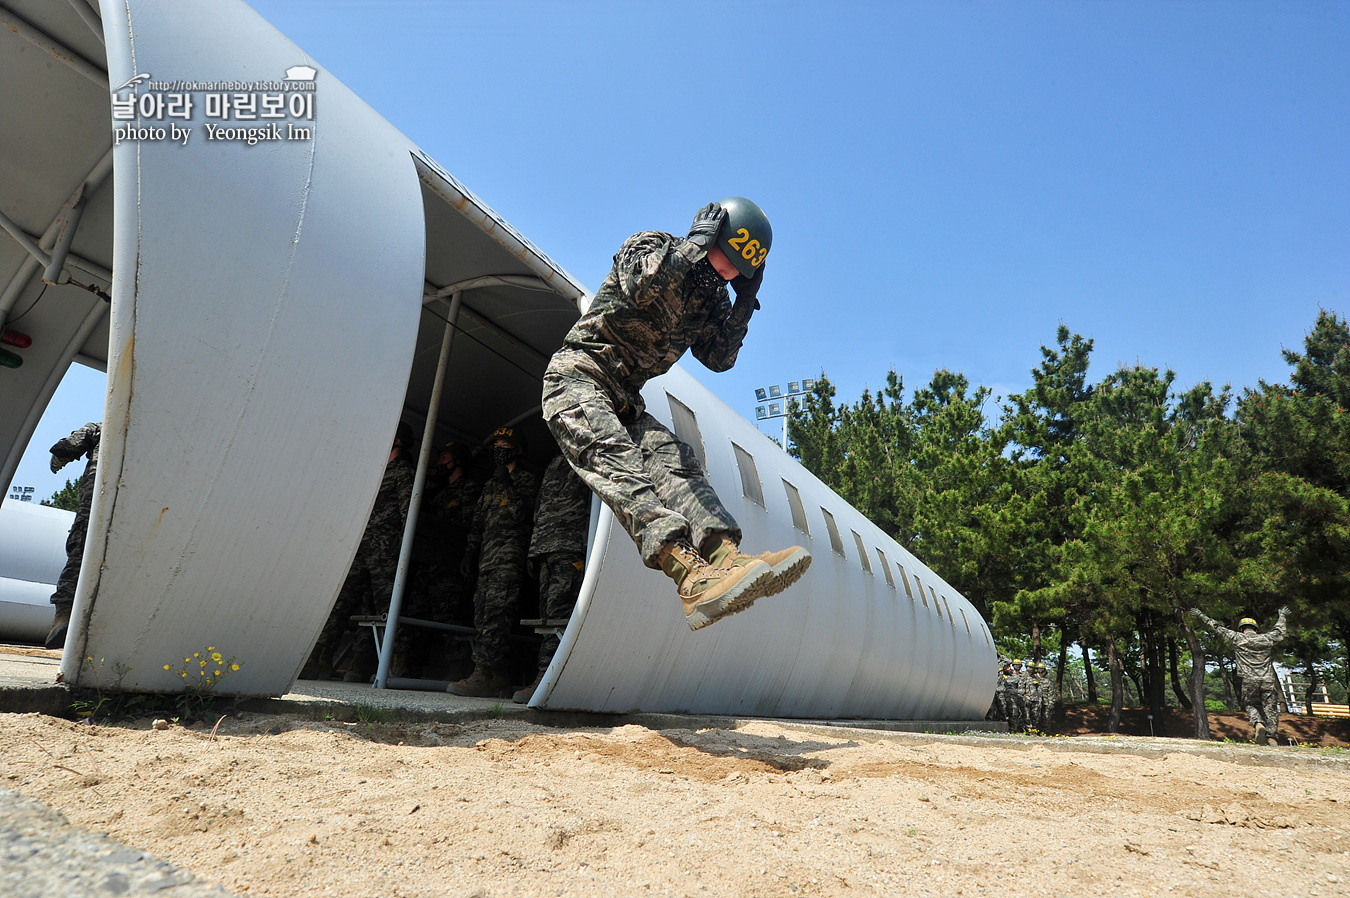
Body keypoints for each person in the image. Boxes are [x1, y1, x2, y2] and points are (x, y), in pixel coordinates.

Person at [540, 197, 810, 632]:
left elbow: (720, 357)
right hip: (579, 377)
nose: (730, 271)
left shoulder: (711, 297)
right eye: (728, 256)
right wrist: (692, 248)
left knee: (674, 461)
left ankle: (726, 558)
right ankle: (689, 575)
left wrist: (743, 304)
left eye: (741, 268)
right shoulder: (654, 246)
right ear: (712, 234)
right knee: (622, 467)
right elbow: (642, 287)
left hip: (625, 398)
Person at [302, 422, 415, 681]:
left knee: (389, 604)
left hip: (384, 548)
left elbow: (407, 509)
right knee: (340, 602)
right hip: (361, 547)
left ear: (398, 441)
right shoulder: (374, 471)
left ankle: (396, 664)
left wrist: (400, 544)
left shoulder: (402, 471)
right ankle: (320, 657)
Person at [447, 426, 538, 698]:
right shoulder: (489, 485)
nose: (499, 446)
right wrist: (469, 554)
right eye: (496, 442)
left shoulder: (527, 480)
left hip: (509, 559)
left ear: (516, 450)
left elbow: (523, 514)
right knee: (482, 615)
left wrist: (508, 484)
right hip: (486, 559)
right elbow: (478, 523)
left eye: (504, 443)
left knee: (497, 616)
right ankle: (497, 675)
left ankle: (483, 673)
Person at [514, 453, 592, 703]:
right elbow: (542, 507)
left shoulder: (588, 455)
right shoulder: (555, 461)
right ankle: (547, 674)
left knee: (560, 613)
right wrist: (534, 547)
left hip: (569, 545)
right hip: (546, 547)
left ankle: (549, 676)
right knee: (547, 615)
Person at [1190, 606, 1289, 745]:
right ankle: (1272, 737)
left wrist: (1201, 615)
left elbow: (1217, 627)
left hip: (1249, 680)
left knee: (1250, 704)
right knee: (1270, 708)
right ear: (1256, 630)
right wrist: (1282, 616)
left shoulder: (1237, 638)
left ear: (1242, 629)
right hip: (1267, 680)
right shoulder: (1266, 638)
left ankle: (1258, 723)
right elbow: (1279, 631)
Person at [44, 422, 102, 649]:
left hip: (97, 493)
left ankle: (64, 613)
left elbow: (72, 444)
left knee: (79, 551)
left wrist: (58, 458)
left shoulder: (102, 426)